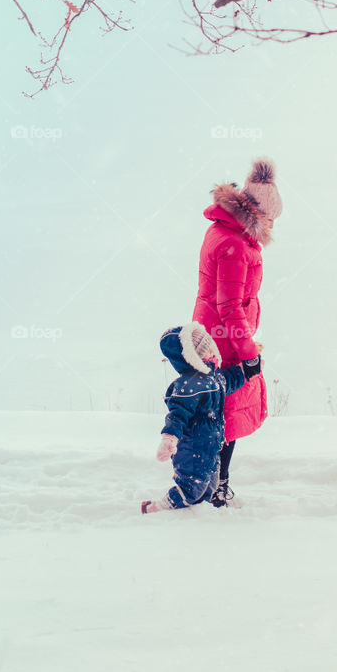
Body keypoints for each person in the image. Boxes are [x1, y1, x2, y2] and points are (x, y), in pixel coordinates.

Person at [192, 157, 282, 507]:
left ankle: (212, 484)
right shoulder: (235, 245)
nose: (273, 225)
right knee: (226, 417)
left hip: (214, 334)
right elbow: (230, 308)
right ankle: (215, 489)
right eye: (272, 218)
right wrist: (249, 356)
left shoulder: (224, 231)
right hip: (224, 343)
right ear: (258, 213)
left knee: (218, 415)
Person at [140, 322, 262, 513]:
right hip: (191, 449)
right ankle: (157, 507)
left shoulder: (215, 378)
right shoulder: (187, 385)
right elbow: (177, 416)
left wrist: (247, 369)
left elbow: (231, 379)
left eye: (211, 348)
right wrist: (169, 438)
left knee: (208, 488)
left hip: (211, 447)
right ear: (189, 357)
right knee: (190, 489)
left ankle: (196, 515)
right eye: (205, 352)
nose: (212, 354)